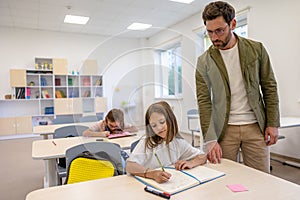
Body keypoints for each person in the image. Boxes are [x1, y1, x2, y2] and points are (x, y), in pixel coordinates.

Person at [195, 1, 280, 173]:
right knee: (224, 180)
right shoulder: (204, 61)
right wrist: (210, 139)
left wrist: (272, 123)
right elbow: (204, 102)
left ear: (233, 24)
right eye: (209, 32)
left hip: (256, 127)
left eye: (219, 30)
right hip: (224, 130)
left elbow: (269, 86)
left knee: (261, 179)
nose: (214, 38)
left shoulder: (256, 50)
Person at [126, 101, 207, 183]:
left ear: (170, 119)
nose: (159, 127)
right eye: (154, 125)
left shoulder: (178, 142)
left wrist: (191, 163)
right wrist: (152, 174)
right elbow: (129, 166)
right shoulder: (147, 142)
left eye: (162, 122)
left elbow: (203, 156)